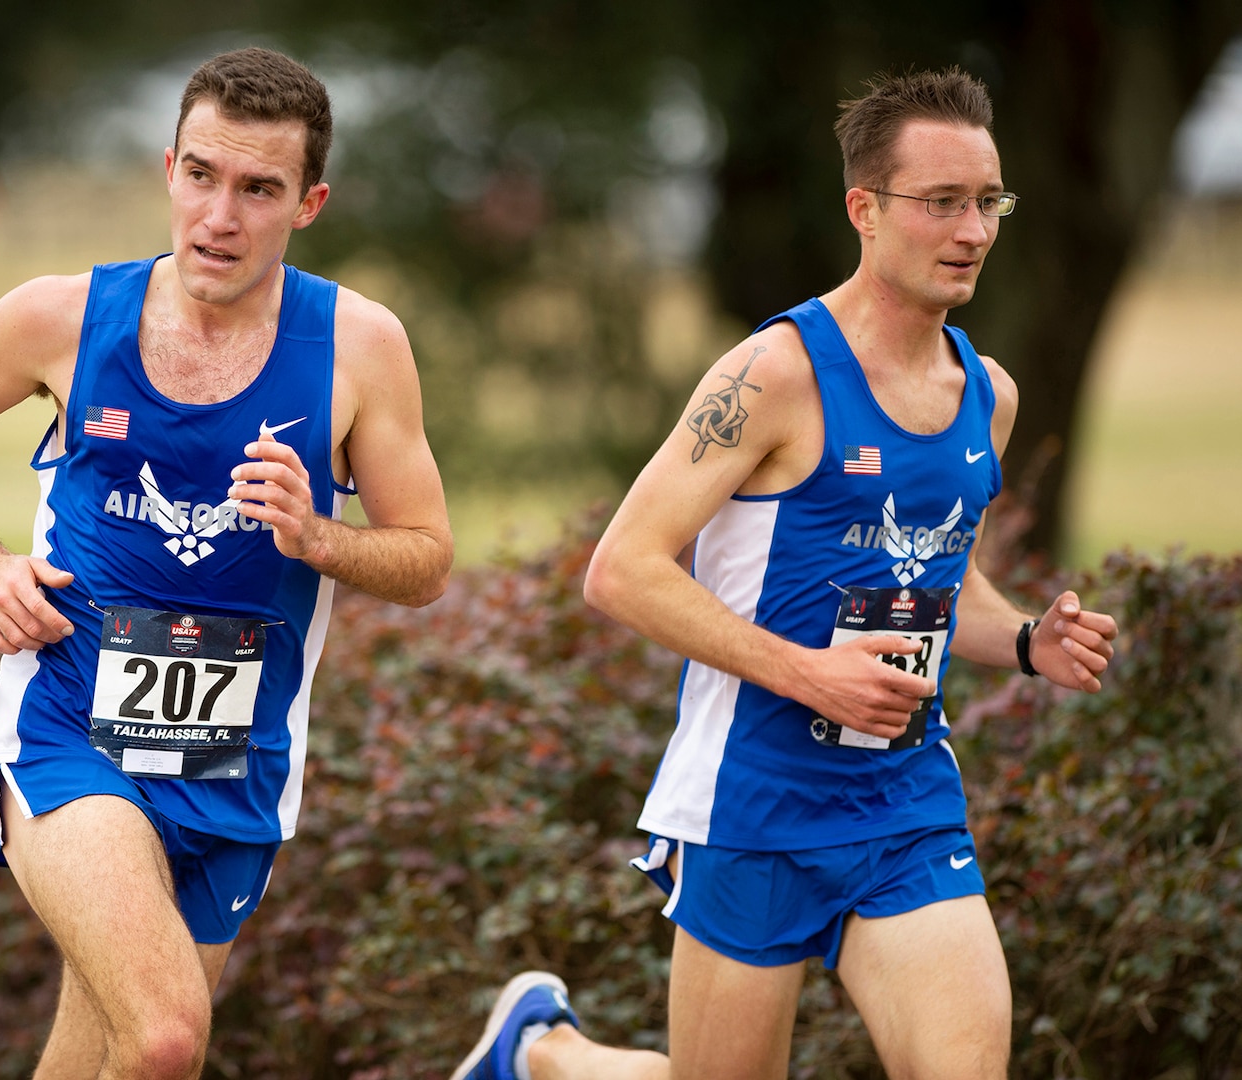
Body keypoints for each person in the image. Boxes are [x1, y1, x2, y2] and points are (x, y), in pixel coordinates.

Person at [451, 67, 1118, 1080]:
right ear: (865, 208)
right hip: (750, 803)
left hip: (902, 800)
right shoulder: (774, 374)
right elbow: (622, 570)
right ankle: (544, 1057)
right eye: (942, 202)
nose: (973, 229)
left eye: (988, 202)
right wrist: (810, 675)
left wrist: (1027, 638)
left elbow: (941, 581)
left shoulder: (987, 395)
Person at [0, 47, 453, 1080]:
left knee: (101, 1051)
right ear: (169, 170)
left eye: (258, 189)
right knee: (166, 1036)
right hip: (68, 730)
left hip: (233, 764)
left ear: (309, 203)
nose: (220, 216)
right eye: (201, 175)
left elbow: (427, 560)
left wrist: (317, 534)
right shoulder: (62, 317)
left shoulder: (359, 348)